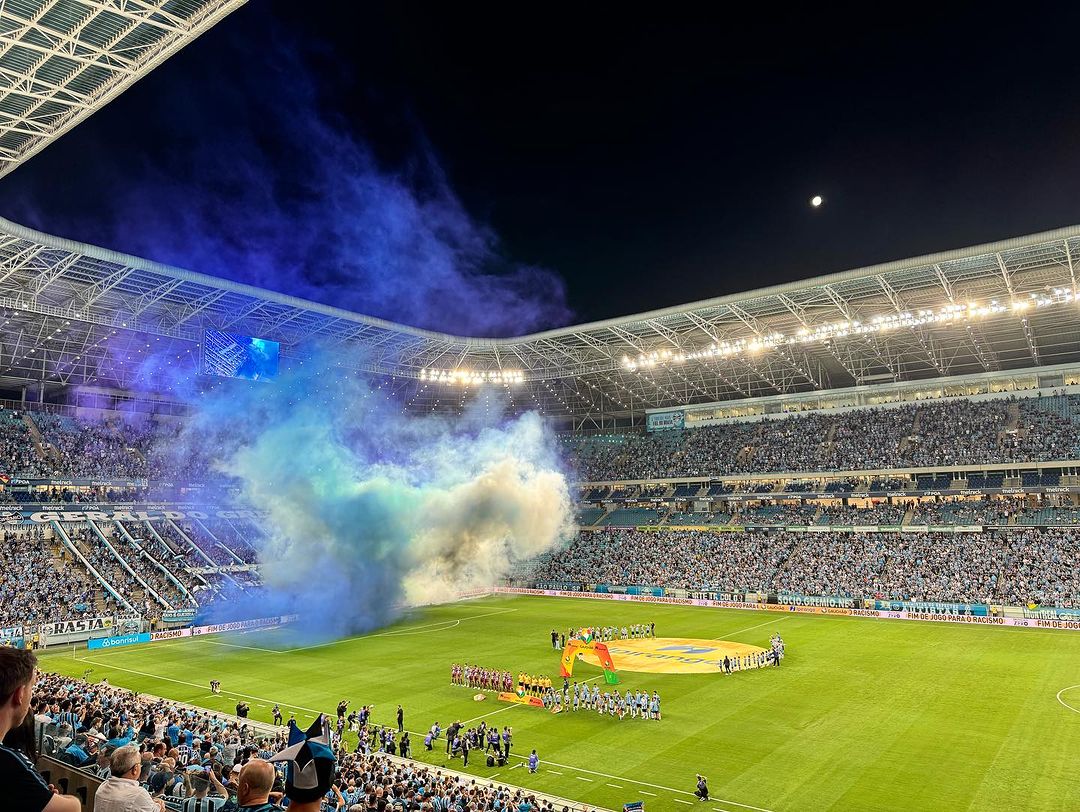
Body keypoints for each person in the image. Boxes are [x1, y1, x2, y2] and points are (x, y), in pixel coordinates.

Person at [0, 649, 81, 812]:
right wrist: (61, 798)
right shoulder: (9, 761)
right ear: (20, 694)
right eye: (31, 688)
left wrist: (40, 795)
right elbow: (72, 809)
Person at [95, 743, 167, 812]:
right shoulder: (139, 794)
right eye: (140, 763)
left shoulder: (102, 786)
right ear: (135, 769)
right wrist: (159, 805)